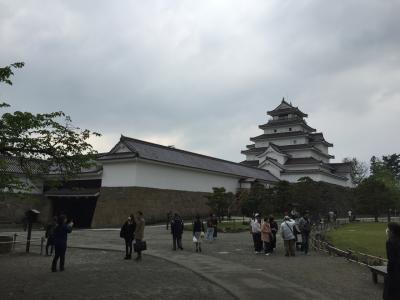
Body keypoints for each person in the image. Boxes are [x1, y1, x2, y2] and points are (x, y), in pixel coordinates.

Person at [383, 222, 400, 300]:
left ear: (392, 231)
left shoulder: (390, 242)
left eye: (388, 229)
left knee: (390, 293)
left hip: (394, 271)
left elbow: (391, 259)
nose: (387, 231)